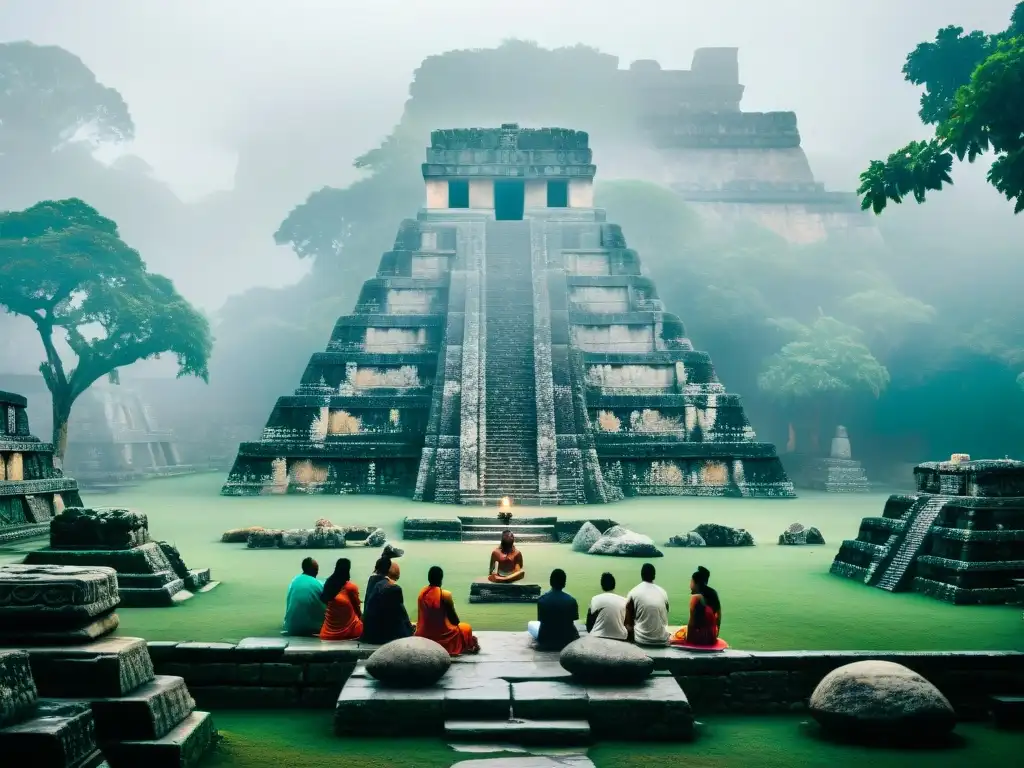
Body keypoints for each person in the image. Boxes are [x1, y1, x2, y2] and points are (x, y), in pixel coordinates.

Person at [415, 566, 480, 656]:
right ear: (441, 578)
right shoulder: (445, 595)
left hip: (423, 635)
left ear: (429, 578)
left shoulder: (422, 593)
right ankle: (459, 647)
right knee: (466, 628)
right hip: (442, 636)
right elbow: (455, 621)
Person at [361, 561, 414, 644]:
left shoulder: (374, 583)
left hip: (369, 635)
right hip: (385, 638)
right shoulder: (395, 589)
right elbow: (402, 615)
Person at [527, 568, 579, 650]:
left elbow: (541, 621)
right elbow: (572, 622)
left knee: (531, 624)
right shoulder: (571, 600)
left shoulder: (542, 600)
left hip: (546, 640)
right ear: (564, 584)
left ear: (550, 582)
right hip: (566, 639)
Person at [671, 566, 722, 646]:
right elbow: (718, 617)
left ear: (696, 583)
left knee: (679, 634)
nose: (690, 584)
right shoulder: (713, 593)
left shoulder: (695, 598)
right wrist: (715, 635)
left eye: (691, 581)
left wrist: (688, 642)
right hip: (711, 637)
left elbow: (691, 625)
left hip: (700, 640)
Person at [625, 563, 670, 646]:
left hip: (641, 640)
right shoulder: (663, 592)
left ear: (641, 575)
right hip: (663, 640)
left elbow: (628, 624)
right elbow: (666, 612)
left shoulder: (633, 592)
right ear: (654, 575)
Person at [319, 558, 363, 641]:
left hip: (326, 633)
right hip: (347, 633)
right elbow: (358, 610)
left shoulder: (328, 584)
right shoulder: (351, 587)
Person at [282, 557, 326, 636]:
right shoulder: (319, 584)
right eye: (316, 569)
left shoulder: (294, 581)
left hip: (290, 628)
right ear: (314, 571)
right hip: (313, 629)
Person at [586, 572, 627, 641]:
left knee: (591, 610)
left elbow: (590, 621)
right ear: (614, 585)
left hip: (598, 635)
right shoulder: (624, 600)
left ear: (602, 585)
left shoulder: (595, 599)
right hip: (620, 636)